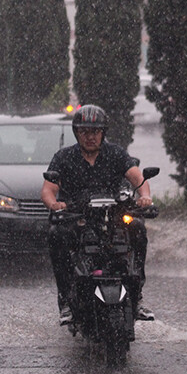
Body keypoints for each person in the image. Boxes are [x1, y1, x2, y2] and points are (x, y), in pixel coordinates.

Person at [41, 104, 155, 325]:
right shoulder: (64, 158)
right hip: (77, 217)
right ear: (77, 133)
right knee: (57, 235)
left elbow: (137, 178)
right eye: (84, 131)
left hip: (113, 217)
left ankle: (137, 295)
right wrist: (55, 204)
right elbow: (48, 190)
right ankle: (66, 301)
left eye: (95, 131)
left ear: (103, 132)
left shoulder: (116, 154)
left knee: (138, 228)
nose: (90, 136)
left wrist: (145, 196)